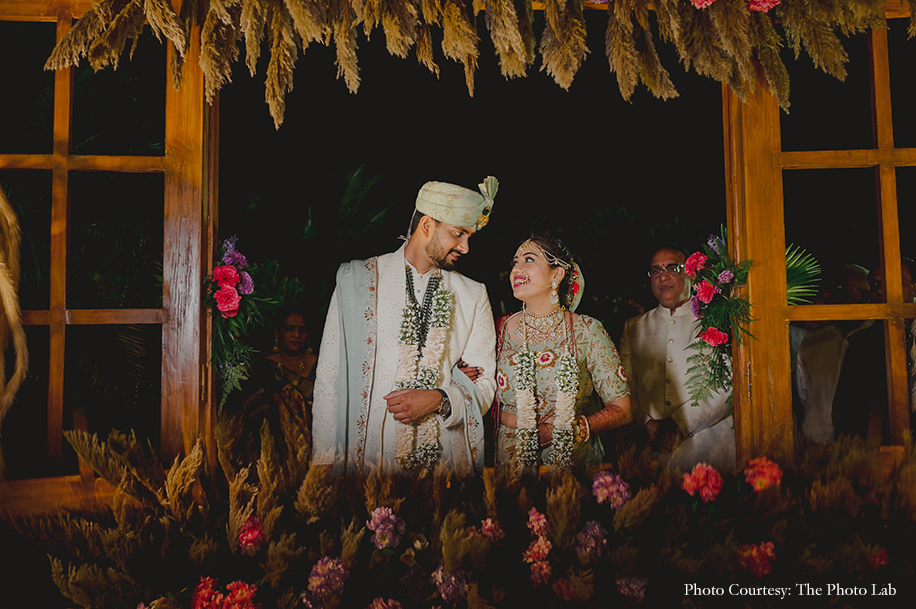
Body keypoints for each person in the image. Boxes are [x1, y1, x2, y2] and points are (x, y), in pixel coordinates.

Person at [311, 177, 499, 475]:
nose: (465, 247)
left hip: (443, 464)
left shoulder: (472, 295)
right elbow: (329, 377)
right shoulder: (358, 281)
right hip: (368, 459)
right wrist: (323, 462)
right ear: (427, 225)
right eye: (458, 233)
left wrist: (439, 399)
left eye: (469, 236)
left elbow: (485, 384)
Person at [493, 234, 631, 467]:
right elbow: (482, 398)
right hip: (509, 465)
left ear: (556, 274)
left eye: (528, 260)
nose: (516, 269)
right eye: (515, 262)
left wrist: (569, 429)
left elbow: (623, 409)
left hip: (571, 464)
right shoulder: (499, 329)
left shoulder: (587, 330)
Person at [619, 246, 735, 472]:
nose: (663, 276)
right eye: (655, 270)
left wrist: (680, 424)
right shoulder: (634, 327)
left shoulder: (713, 319)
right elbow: (625, 385)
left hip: (710, 447)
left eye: (672, 268)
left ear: (690, 273)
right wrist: (646, 423)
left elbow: (728, 384)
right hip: (653, 453)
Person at [217, 304, 318, 487]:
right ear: (277, 332)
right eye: (290, 329)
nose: (296, 335)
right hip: (274, 454)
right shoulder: (262, 369)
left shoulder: (321, 366)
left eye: (302, 330)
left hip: (316, 451)